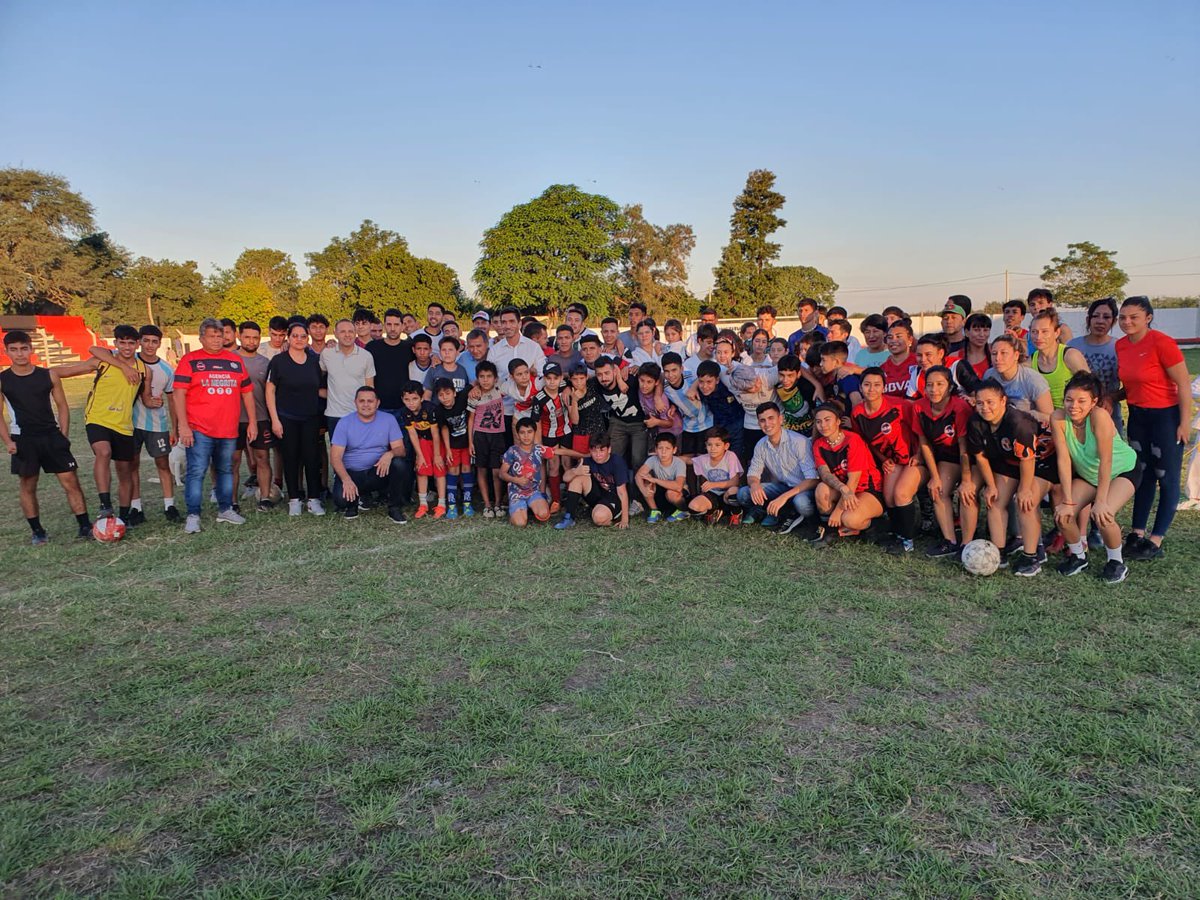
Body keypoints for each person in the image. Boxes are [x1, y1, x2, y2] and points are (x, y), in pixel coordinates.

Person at [1114, 296, 1192, 560]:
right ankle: (1137, 532)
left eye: (1133, 316)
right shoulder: (1121, 346)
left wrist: (1183, 423)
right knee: (1143, 474)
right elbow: (1133, 385)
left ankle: (1156, 539)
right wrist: (1109, 397)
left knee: (1166, 476)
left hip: (1165, 417)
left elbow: (1183, 384)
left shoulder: (1162, 343)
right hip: (1138, 416)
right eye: (1123, 317)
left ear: (1148, 317)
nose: (1127, 322)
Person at [0, 330, 92, 544]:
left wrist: (64, 434)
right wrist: (8, 441)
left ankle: (85, 526)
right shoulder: (3, 380)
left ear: (31, 349)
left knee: (71, 481)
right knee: (28, 485)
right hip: (23, 440)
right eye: (14, 350)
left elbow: (62, 406)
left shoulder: (48, 375)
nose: (20, 354)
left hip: (51, 436)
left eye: (24, 348)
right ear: (6, 352)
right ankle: (38, 531)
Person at [1049, 372, 1140, 583]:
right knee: (1063, 515)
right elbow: (1063, 459)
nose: (1074, 406)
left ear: (1094, 402)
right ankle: (1079, 557)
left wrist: (1100, 501)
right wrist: (1067, 500)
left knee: (1103, 514)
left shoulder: (1099, 416)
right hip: (1088, 475)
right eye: (1069, 400)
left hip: (1122, 470)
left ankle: (1116, 562)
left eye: (1082, 401)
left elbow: (1106, 461)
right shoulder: (1058, 418)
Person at [57, 325, 150, 522]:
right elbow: (90, 351)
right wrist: (123, 366)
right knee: (104, 452)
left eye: (131, 343)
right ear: (115, 343)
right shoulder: (104, 361)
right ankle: (105, 505)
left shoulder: (144, 370)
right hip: (97, 419)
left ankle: (123, 517)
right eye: (122, 343)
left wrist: (154, 401)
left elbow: (146, 397)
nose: (126, 347)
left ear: (137, 345)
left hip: (124, 425)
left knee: (126, 472)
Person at [968, 379, 1060, 576]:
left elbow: (1028, 460)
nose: (985, 408)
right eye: (980, 403)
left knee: (1025, 501)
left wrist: (1025, 489)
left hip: (1041, 462)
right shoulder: (976, 422)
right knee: (994, 500)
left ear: (1003, 401)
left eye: (990, 402)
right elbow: (980, 457)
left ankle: (1032, 555)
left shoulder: (1019, 423)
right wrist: (991, 485)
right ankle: (998, 553)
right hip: (1009, 461)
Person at [173, 318, 256, 533]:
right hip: (199, 429)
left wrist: (253, 422)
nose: (217, 340)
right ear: (201, 338)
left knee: (226, 470)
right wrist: (183, 425)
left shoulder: (234, 361)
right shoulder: (190, 360)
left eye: (220, 335)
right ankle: (193, 515)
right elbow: (179, 394)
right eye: (212, 336)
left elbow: (247, 393)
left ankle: (226, 509)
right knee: (196, 472)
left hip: (228, 429)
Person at [853, 368, 923, 553]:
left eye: (877, 385)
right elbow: (866, 442)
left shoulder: (900, 406)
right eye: (867, 385)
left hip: (915, 459)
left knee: (901, 493)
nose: (872, 389)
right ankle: (898, 534)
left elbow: (922, 431)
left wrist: (919, 455)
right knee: (889, 496)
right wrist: (883, 459)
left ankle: (908, 542)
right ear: (860, 387)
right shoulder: (858, 412)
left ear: (884, 387)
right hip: (894, 461)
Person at [912, 366, 977, 558]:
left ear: (950, 387)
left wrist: (966, 480)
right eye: (930, 385)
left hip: (969, 458)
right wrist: (934, 477)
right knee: (937, 490)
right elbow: (924, 444)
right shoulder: (919, 407)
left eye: (940, 384)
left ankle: (967, 543)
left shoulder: (959, 407)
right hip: (946, 458)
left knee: (967, 494)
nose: (934, 389)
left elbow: (965, 447)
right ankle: (950, 541)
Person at [267, 322, 326, 517]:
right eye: (295, 336)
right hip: (286, 418)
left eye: (303, 336)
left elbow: (322, 389)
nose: (299, 339)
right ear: (289, 338)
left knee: (312, 458)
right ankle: (294, 499)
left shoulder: (314, 361)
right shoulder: (278, 362)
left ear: (307, 338)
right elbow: (270, 391)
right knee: (290, 459)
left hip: (310, 417)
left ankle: (314, 499)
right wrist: (275, 420)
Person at [330, 385, 411, 524]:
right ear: (355, 402)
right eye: (362, 401)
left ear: (378, 403)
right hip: (352, 473)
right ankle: (356, 499)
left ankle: (395, 507)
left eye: (370, 401)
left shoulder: (388, 419)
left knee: (399, 464)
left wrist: (390, 453)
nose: (366, 404)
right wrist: (346, 480)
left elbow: (401, 449)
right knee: (341, 501)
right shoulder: (344, 423)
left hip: (377, 472)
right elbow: (335, 457)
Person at [734, 402, 819, 533]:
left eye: (771, 418)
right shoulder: (761, 445)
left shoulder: (799, 442)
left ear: (781, 419)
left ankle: (795, 515)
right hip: (783, 488)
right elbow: (753, 473)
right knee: (744, 493)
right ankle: (768, 510)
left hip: (803, 490)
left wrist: (784, 497)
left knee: (801, 503)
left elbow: (813, 479)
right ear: (758, 423)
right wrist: (755, 484)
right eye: (762, 420)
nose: (767, 424)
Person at [810, 403, 885, 546]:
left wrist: (837, 512)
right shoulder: (818, 444)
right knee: (821, 489)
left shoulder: (852, 440)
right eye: (818, 422)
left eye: (827, 420)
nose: (823, 425)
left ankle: (874, 524)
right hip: (845, 489)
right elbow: (824, 473)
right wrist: (842, 489)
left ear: (838, 421)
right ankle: (832, 531)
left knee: (849, 519)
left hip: (866, 489)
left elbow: (854, 480)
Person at [127, 324, 178, 523]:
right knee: (132, 465)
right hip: (129, 424)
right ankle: (136, 508)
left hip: (157, 424)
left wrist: (175, 427)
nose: (149, 345)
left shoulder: (166, 369)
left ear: (159, 344)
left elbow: (172, 400)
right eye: (146, 341)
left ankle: (170, 506)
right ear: (139, 342)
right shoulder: (127, 360)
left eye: (154, 341)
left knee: (163, 464)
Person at [233, 321, 276, 511]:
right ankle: (232, 501)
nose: (251, 341)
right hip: (233, 419)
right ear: (239, 337)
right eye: (247, 337)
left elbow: (271, 391)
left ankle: (265, 498)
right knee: (232, 461)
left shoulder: (265, 363)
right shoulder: (229, 360)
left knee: (262, 458)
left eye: (255, 337)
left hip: (260, 418)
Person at [1067, 298, 1122, 433]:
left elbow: (1131, 386)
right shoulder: (1072, 346)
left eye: (1106, 317)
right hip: (1077, 412)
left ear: (1114, 321)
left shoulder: (1120, 347)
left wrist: (1110, 398)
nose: (1100, 321)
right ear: (1088, 320)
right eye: (1096, 316)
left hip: (1109, 412)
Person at [487, 306, 547, 430]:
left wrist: (532, 373)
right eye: (504, 322)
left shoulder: (533, 347)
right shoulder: (494, 351)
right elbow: (490, 380)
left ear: (519, 323)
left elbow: (543, 375)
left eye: (512, 321)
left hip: (529, 411)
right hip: (503, 411)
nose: (507, 326)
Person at [556, 431, 628, 529]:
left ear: (609, 449)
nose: (598, 455)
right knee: (577, 478)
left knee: (598, 518)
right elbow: (565, 478)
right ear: (590, 450)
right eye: (594, 451)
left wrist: (625, 519)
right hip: (597, 494)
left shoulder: (617, 462)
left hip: (613, 497)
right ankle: (569, 517)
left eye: (602, 450)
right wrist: (576, 471)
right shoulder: (588, 460)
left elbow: (622, 492)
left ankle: (607, 514)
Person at [321, 319, 376, 434]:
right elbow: (320, 375)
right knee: (337, 452)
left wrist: (370, 412)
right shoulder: (326, 354)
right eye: (342, 332)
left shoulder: (366, 356)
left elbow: (370, 386)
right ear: (335, 333)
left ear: (355, 333)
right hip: (334, 415)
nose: (347, 335)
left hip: (359, 414)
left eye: (350, 331)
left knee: (359, 451)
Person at [399, 382, 446, 518]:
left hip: (436, 442)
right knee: (421, 470)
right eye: (407, 399)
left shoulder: (430, 409)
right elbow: (412, 434)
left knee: (439, 471)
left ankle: (441, 504)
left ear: (421, 398)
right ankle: (423, 504)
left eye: (414, 399)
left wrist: (437, 455)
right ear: (402, 400)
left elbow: (436, 433)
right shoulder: (405, 412)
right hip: (422, 442)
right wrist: (419, 455)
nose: (411, 403)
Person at [503, 418, 561, 527]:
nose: (526, 436)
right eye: (522, 432)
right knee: (520, 524)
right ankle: (517, 512)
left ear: (535, 433)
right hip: (517, 493)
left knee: (544, 515)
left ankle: (528, 508)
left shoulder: (538, 449)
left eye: (529, 432)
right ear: (517, 434)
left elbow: (559, 451)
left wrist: (584, 455)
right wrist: (516, 479)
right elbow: (502, 474)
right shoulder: (512, 451)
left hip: (534, 492)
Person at [983, 334, 1053, 424]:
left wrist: (1026, 414)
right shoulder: (989, 375)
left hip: (1026, 425)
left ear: (1016, 355)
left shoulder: (1032, 379)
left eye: (1003, 353)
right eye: (994, 354)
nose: (997, 358)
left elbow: (1049, 416)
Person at [467, 360, 506, 518]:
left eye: (489, 376)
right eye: (481, 377)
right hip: (480, 436)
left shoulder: (499, 388)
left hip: (497, 435)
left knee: (497, 471)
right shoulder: (474, 395)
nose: (485, 380)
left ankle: (498, 503)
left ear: (495, 378)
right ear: (477, 378)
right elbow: (470, 419)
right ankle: (487, 505)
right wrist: (470, 442)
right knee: (481, 469)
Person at [594, 356, 648, 471]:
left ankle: (637, 487)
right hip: (618, 421)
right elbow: (579, 380)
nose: (604, 378)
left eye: (607, 373)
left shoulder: (630, 379)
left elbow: (656, 377)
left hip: (639, 423)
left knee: (638, 459)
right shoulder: (596, 384)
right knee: (611, 455)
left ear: (615, 371)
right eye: (599, 374)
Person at [1029, 309, 1089, 408]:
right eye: (1034, 332)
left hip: (1073, 414)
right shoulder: (1030, 362)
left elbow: (1091, 388)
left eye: (1045, 332)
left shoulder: (1070, 356)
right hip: (1045, 417)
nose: (1038, 337)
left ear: (1057, 332)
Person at [433, 378, 474, 518]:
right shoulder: (438, 410)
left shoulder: (462, 397)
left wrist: (477, 389)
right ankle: (452, 506)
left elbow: (473, 384)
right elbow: (444, 428)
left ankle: (467, 503)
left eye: (447, 393)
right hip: (453, 446)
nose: (445, 398)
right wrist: (448, 449)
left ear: (454, 393)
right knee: (453, 471)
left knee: (467, 470)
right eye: (441, 395)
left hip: (466, 444)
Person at [366, 308, 415, 423]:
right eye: (389, 324)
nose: (393, 328)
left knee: (405, 441)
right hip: (379, 407)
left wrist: (434, 358)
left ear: (402, 326)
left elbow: (424, 359)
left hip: (404, 406)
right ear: (384, 326)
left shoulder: (409, 347)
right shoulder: (372, 347)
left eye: (396, 324)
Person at [691, 359, 745, 463]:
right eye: (701, 382)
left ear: (717, 380)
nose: (705, 386)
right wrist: (693, 387)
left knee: (736, 461)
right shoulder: (700, 391)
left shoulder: (728, 387)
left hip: (738, 428)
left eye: (709, 382)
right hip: (719, 429)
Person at [687, 427, 743, 524]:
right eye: (709, 445)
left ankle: (735, 513)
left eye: (717, 445)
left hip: (728, 493)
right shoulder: (704, 459)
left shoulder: (730, 456)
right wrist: (669, 455)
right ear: (706, 445)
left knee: (734, 492)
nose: (713, 448)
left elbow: (735, 482)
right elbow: (688, 461)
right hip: (713, 494)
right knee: (693, 506)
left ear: (726, 446)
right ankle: (713, 512)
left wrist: (714, 484)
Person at [661, 352, 709, 461]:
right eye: (667, 371)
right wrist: (673, 406)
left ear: (681, 369)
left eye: (674, 370)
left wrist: (694, 386)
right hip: (688, 426)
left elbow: (704, 374)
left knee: (704, 459)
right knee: (687, 458)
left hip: (706, 423)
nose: (671, 375)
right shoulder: (665, 386)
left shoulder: (691, 376)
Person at [634, 432, 690, 523]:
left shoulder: (679, 463)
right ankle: (655, 511)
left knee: (671, 492)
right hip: (661, 495)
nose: (663, 452)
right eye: (660, 448)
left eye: (667, 448)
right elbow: (638, 476)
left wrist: (655, 480)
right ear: (656, 450)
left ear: (674, 450)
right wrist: (644, 490)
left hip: (677, 497)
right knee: (646, 480)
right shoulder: (652, 460)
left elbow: (678, 486)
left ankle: (683, 511)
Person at [1026, 289, 1074, 355]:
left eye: (1040, 303)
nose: (1036, 307)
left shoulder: (1062, 329)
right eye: (1032, 304)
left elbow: (1070, 354)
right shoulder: (1028, 333)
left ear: (1050, 304)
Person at [422, 335, 470, 400]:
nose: (447, 353)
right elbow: (427, 394)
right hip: (437, 408)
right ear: (439, 352)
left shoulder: (463, 370)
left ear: (457, 352)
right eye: (443, 350)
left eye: (450, 350)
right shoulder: (434, 370)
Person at [880, 321, 918, 398]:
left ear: (910, 340)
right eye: (890, 337)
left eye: (898, 337)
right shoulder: (882, 369)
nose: (893, 341)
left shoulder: (919, 363)